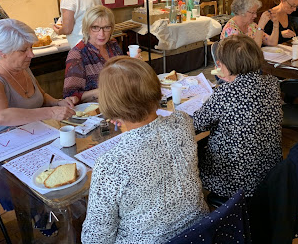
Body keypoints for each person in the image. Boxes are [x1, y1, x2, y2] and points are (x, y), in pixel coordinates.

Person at [82, 56, 208, 244]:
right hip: (200, 232)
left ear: (112, 107)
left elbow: (95, 240)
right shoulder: (182, 122)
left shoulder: (111, 164)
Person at [0, 19, 77, 217]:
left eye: (30, 48)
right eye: (23, 50)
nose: (31, 54)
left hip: (33, 136)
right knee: (55, 168)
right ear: (2, 53)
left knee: (72, 159)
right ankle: (40, 213)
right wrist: (50, 113)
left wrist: (57, 103)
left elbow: (40, 96)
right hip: (0, 149)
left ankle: (64, 211)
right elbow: (1, 116)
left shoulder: (23, 68)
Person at [193, 35, 283, 200]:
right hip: (269, 170)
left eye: (220, 63)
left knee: (194, 151)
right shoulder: (272, 83)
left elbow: (198, 122)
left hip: (236, 179)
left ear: (227, 65)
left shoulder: (227, 92)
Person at [63, 5, 139, 102]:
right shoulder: (78, 54)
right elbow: (70, 96)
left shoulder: (112, 44)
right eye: (95, 27)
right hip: (96, 111)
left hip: (120, 102)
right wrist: (105, 91)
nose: (101, 34)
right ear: (87, 28)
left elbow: (123, 78)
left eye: (106, 27)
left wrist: (133, 64)